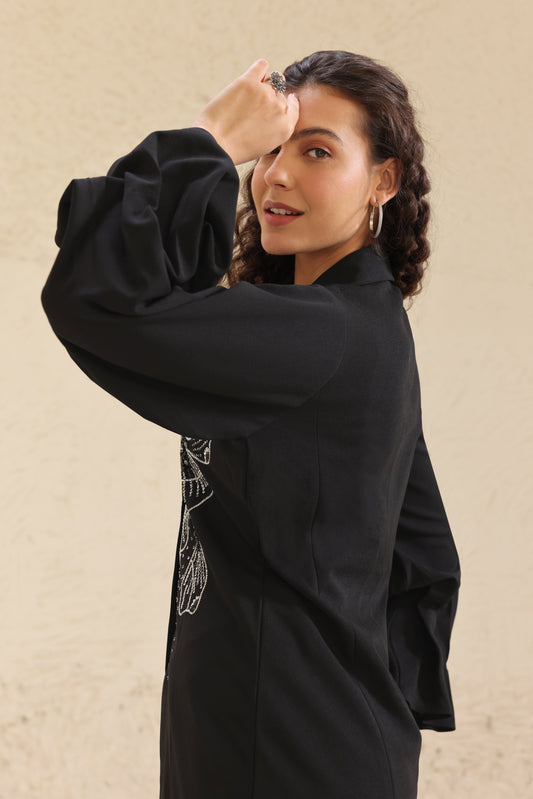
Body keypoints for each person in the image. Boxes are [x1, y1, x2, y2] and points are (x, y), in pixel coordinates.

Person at [42, 51, 460, 799]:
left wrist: (209, 138)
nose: (275, 176)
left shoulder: (325, 334)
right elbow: (421, 548)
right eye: (267, 150)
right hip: (286, 731)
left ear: (384, 180)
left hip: (284, 748)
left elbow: (100, 295)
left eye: (316, 152)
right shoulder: (359, 328)